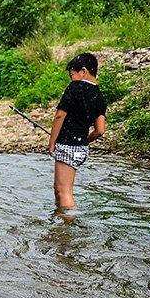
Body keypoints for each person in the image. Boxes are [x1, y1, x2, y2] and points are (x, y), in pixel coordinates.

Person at [49, 52, 107, 211]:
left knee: (64, 191)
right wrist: (85, 140)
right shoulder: (99, 95)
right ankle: (58, 217)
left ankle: (67, 228)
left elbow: (60, 115)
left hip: (68, 145)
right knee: (59, 189)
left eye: (71, 74)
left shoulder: (75, 87)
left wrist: (52, 143)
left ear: (83, 71)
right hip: (81, 149)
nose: (71, 79)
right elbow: (100, 130)